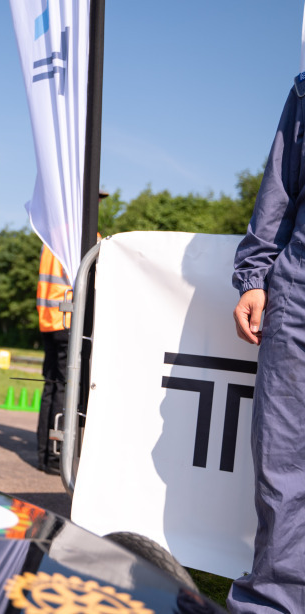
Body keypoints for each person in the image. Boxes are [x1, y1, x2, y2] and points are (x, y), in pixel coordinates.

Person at [230, 72, 305, 612]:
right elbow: (281, 185)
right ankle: (273, 606)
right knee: (283, 467)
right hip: (299, 294)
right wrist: (254, 276)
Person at [35, 201, 106, 476]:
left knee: (52, 386)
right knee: (67, 388)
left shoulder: (52, 235)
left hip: (50, 319)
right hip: (69, 321)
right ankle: (56, 457)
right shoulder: (87, 237)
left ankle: (45, 455)